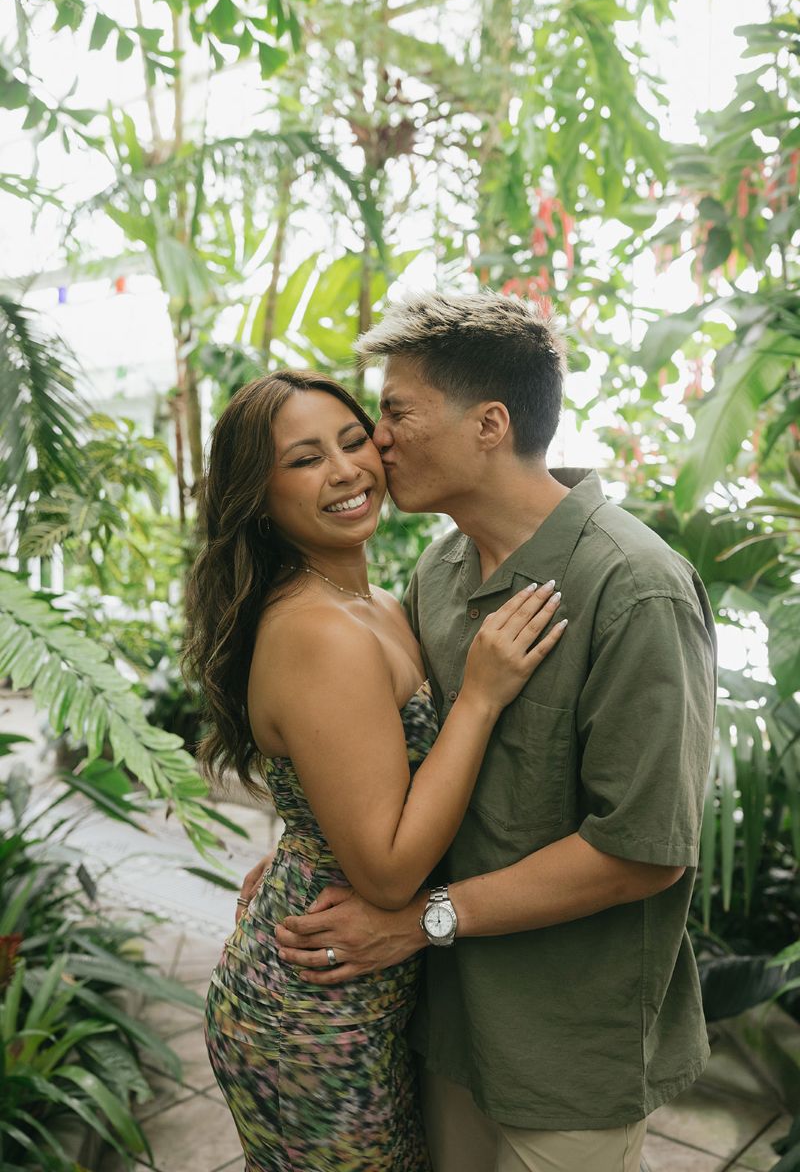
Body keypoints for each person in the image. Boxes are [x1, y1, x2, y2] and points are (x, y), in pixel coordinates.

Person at [245, 291, 718, 1172]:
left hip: (564, 1050)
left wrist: (423, 919)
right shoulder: (441, 567)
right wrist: (315, 844)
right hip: (445, 1024)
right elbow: (404, 758)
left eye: (393, 413)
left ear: (490, 423)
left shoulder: (634, 588)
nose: (375, 443)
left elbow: (646, 851)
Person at [182, 368, 566, 1172]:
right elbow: (390, 876)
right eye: (305, 459)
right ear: (258, 494)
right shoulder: (319, 633)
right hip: (312, 1013)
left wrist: (302, 845)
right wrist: (481, 697)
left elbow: (357, 787)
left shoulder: (378, 602)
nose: (347, 470)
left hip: (359, 991)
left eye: (354, 441)